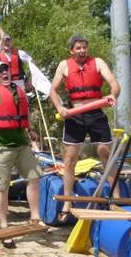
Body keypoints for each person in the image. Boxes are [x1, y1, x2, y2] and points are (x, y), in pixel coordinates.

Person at [0, 32, 43, 248]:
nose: (4, 73)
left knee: (34, 177)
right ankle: (4, 226)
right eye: (0, 71)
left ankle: (35, 217)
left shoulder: (18, 90)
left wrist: (31, 130)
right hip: (1, 146)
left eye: (6, 70)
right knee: (2, 187)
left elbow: (26, 113)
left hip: (21, 143)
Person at [49, 34, 121, 221]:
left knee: (106, 153)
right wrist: (60, 108)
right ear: (71, 50)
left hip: (96, 113)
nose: (82, 51)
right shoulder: (64, 65)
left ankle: (118, 199)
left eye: (84, 47)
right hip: (75, 116)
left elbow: (114, 84)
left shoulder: (98, 62)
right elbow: (53, 91)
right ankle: (67, 201)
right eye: (78, 48)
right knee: (70, 158)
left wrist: (112, 95)